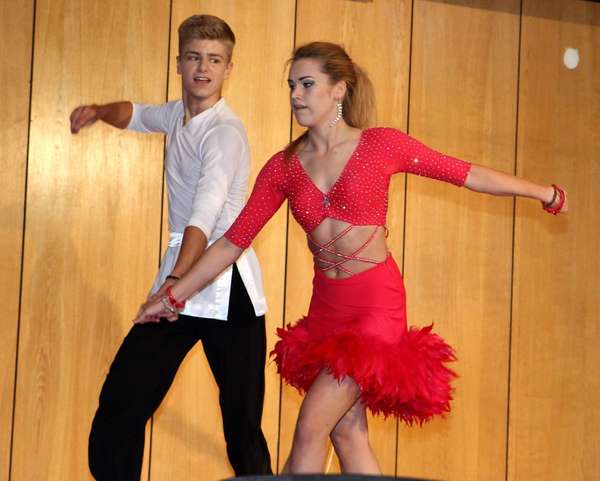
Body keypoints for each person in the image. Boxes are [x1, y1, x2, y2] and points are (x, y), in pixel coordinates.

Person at [134, 41, 568, 475]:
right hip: (327, 311)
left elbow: (466, 174)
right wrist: (173, 294)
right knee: (347, 432)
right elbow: (233, 242)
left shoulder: (381, 145)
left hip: (375, 306)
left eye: (307, 84)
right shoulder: (284, 166)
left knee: (311, 426)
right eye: (291, 86)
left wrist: (543, 193)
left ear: (339, 90)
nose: (295, 95)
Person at [69, 14, 273, 480]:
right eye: (195, 58)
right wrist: (99, 111)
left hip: (227, 287)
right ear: (179, 62)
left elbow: (204, 215)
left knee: (242, 427)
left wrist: (174, 287)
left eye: (215, 60)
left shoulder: (224, 133)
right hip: (182, 276)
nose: (203, 68)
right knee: (122, 401)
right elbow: (136, 114)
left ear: (229, 68)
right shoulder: (178, 114)